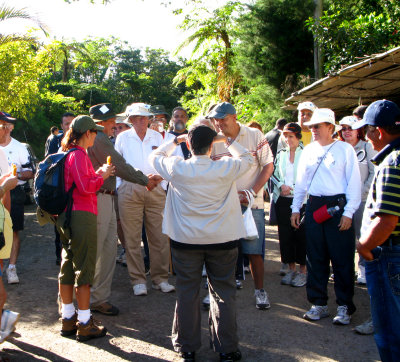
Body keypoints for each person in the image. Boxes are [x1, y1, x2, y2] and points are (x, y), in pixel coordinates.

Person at [149, 124, 253, 362]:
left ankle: (187, 347)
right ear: (212, 144)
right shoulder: (226, 167)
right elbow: (248, 158)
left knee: (187, 291)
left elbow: (155, 156)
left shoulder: (177, 168)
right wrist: (226, 140)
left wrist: (175, 141)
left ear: (188, 145)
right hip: (223, 240)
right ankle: (226, 348)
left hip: (186, 241)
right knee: (224, 292)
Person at [87, 103, 161, 316]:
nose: (116, 125)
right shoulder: (100, 138)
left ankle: (93, 299)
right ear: (103, 122)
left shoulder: (97, 137)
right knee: (102, 250)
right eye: (112, 121)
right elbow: (119, 164)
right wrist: (143, 180)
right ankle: (92, 300)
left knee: (105, 249)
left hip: (104, 196)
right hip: (99, 197)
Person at [290, 108, 361, 325]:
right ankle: (318, 303)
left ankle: (344, 306)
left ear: (330, 127)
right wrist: (296, 208)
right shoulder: (309, 150)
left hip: (338, 206)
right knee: (315, 257)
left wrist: (349, 212)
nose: (314, 130)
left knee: (342, 259)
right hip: (314, 206)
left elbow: (354, 184)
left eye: (318, 126)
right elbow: (301, 183)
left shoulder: (345, 150)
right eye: (312, 126)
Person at [210, 102, 274, 310]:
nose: (219, 123)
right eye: (216, 119)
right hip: (223, 205)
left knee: (253, 250)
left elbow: (268, 166)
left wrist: (253, 191)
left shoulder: (255, 135)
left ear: (235, 116)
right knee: (221, 251)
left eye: (223, 118)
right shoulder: (214, 139)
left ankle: (260, 291)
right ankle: (217, 292)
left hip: (252, 204)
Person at [56, 115, 114, 342]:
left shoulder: (67, 154)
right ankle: (84, 323)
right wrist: (103, 176)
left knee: (69, 266)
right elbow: (86, 187)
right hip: (81, 215)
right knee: (84, 268)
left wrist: (97, 174)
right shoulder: (79, 155)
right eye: (94, 132)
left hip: (67, 215)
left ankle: (68, 319)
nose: (96, 135)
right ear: (86, 134)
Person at [353, 100, 400, 360]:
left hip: (390, 256)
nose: (365, 137)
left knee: (391, 331)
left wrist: (364, 247)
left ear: (378, 132)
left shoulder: (393, 162)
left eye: (366, 131)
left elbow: (386, 221)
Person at [115, 103, 174, 296]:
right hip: (130, 188)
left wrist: (162, 182)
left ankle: (160, 278)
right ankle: (138, 280)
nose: (141, 120)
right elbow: (117, 165)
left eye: (144, 117)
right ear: (130, 119)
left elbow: (166, 162)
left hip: (156, 187)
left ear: (149, 118)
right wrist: (121, 187)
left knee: (159, 236)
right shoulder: (122, 137)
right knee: (131, 237)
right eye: (137, 117)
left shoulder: (158, 136)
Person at [338, 116, 377, 285]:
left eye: (350, 128)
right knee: (343, 236)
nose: (346, 131)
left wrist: (360, 192)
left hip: (362, 200)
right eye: (344, 128)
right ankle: (344, 269)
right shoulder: (339, 148)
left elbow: (373, 173)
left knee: (362, 235)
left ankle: (363, 269)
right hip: (341, 201)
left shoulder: (367, 147)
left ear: (358, 130)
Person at [271, 123, 307, 287]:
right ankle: (291, 269)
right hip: (283, 200)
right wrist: (280, 186)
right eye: (285, 136)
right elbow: (273, 173)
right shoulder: (281, 153)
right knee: (285, 235)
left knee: (301, 235)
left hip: (302, 200)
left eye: (291, 136)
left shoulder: (306, 153)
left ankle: (303, 271)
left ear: (298, 136)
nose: (287, 139)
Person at [0, 114, 34, 284]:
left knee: (13, 231)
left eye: (6, 125)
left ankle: (11, 268)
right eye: (1, 125)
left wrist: (15, 176)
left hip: (14, 193)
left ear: (11, 127)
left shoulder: (19, 147)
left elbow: (30, 172)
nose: (3, 128)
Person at [45, 112, 75, 265]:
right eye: (65, 123)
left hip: (75, 188)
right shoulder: (54, 140)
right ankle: (60, 255)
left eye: (71, 123)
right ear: (61, 125)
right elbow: (48, 165)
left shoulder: (82, 140)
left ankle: (73, 253)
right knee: (59, 223)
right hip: (59, 188)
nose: (68, 126)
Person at [0, 112, 20, 343]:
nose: (6, 131)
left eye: (7, 126)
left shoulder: (2, 153)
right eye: (3, 126)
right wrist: (5, 185)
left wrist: (7, 220)